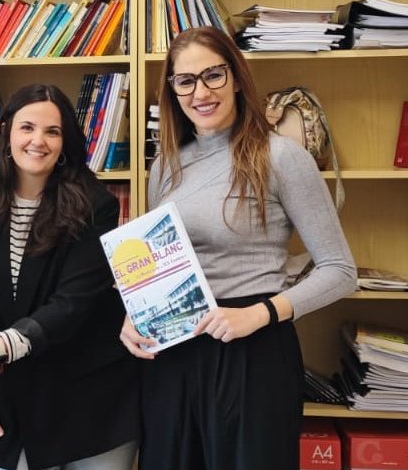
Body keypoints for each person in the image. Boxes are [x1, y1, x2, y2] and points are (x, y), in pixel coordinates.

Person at [119, 26, 356, 470]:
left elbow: (340, 271)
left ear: (236, 75)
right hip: (174, 352)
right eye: (185, 81)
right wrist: (134, 314)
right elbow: (160, 265)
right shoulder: (165, 165)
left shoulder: (282, 157)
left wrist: (260, 313)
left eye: (213, 75)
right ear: (172, 90)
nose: (200, 92)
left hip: (252, 348)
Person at [0, 84, 140, 470]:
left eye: (53, 131)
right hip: (10, 399)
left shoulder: (96, 205)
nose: (38, 141)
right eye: (27, 128)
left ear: (66, 143)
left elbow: (74, 303)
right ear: (7, 133)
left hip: (93, 397)